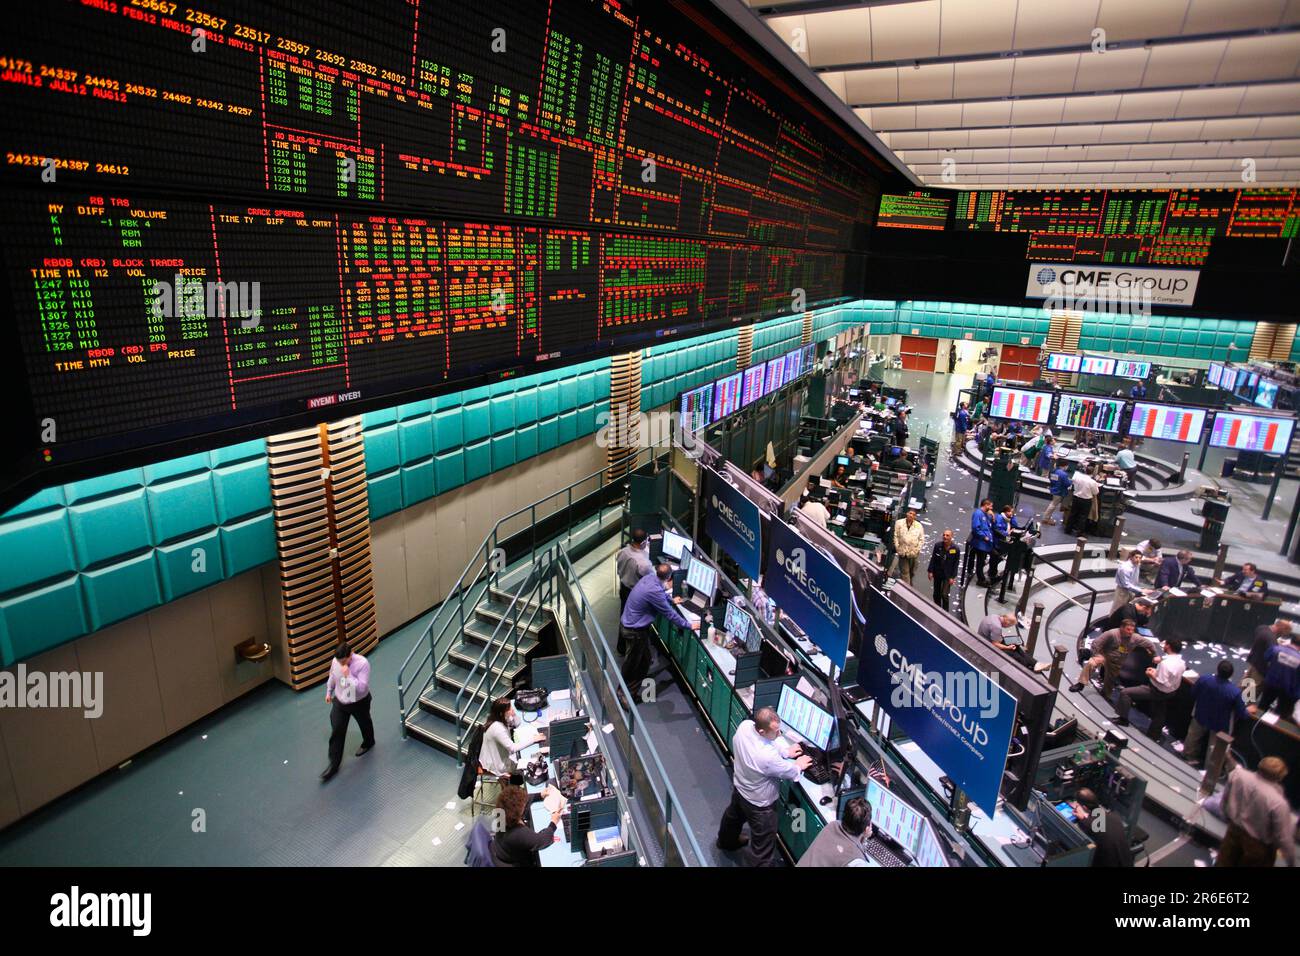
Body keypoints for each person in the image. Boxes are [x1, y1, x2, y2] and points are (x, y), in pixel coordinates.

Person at [717, 707, 812, 866]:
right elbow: (789, 771)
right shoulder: (766, 757)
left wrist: (785, 751)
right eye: (776, 731)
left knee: (733, 818)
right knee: (763, 846)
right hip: (760, 806)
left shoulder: (745, 726)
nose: (779, 734)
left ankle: (726, 842)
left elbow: (769, 742)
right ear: (761, 731)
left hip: (740, 788)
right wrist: (799, 765)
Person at [619, 564, 699, 704]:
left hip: (630, 625)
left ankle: (627, 691)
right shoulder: (654, 591)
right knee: (634, 664)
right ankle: (625, 695)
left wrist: (671, 600)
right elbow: (671, 615)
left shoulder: (650, 578)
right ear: (669, 577)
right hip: (635, 631)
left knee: (643, 660)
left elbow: (661, 593)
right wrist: (689, 625)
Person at [1215, 757, 1294, 867]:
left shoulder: (1237, 775)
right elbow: (1283, 838)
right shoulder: (1278, 803)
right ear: (1280, 776)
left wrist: (1226, 818)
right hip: (1257, 847)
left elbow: (1225, 800)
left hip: (1233, 832)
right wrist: (1292, 862)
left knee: (1223, 863)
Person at [321, 641, 375, 783]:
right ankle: (333, 765)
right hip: (341, 701)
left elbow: (362, 688)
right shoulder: (336, 661)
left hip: (359, 702)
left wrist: (349, 675)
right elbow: (332, 676)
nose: (341, 664)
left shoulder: (363, 664)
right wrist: (329, 691)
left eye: (344, 661)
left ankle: (369, 742)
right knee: (337, 729)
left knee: (365, 723)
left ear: (351, 654)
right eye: (339, 661)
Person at [1115, 638, 1185, 739]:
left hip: (1157, 691)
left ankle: (1123, 719)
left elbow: (1162, 681)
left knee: (1126, 693)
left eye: (1165, 644)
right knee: (1159, 713)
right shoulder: (1181, 663)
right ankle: (1154, 735)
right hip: (1170, 692)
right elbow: (1169, 678)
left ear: (1168, 646)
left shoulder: (1165, 664)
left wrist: (1150, 674)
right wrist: (1156, 672)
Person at [1183, 660, 1249, 767]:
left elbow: (1193, 693)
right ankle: (1210, 768)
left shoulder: (1204, 679)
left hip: (1200, 714)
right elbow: (1242, 714)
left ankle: (1187, 756)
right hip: (1220, 724)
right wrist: (1248, 711)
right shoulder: (1235, 692)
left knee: (1193, 737)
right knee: (1214, 747)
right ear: (1231, 674)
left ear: (1217, 669)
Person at [490, 784, 562, 867]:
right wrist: (554, 822)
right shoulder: (518, 833)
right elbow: (541, 840)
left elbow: (521, 801)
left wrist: (539, 795)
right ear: (518, 812)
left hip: (501, 852)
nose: (524, 803)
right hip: (517, 862)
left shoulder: (502, 814)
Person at [1071, 619, 1140, 700]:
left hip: (1115, 660)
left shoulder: (1134, 638)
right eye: (1128, 629)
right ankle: (1081, 684)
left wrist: (1153, 653)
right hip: (1103, 654)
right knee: (1092, 663)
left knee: (1112, 676)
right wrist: (1096, 655)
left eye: (1132, 630)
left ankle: (1105, 694)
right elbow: (1096, 644)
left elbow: (1146, 642)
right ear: (1122, 628)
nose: (1130, 632)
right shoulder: (1111, 633)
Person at [479, 698, 544, 781]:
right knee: (528, 770)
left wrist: (514, 715)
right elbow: (512, 748)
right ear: (501, 713)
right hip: (497, 763)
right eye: (509, 709)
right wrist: (534, 739)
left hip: (501, 755)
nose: (512, 709)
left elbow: (517, 724)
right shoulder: (497, 728)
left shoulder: (499, 718)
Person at [797, 796, 873, 867]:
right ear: (867, 828)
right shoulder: (856, 861)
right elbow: (852, 847)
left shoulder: (832, 825)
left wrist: (863, 838)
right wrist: (864, 837)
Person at [1070, 788, 1134, 868]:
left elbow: (1090, 825)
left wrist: (1082, 818)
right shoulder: (1114, 816)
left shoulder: (1087, 824)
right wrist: (1084, 817)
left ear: (1085, 808)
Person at [614, 529, 653, 652]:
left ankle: (621, 648)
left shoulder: (622, 552)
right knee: (638, 624)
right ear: (643, 543)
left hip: (624, 588)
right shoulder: (643, 563)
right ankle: (637, 652)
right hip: (635, 594)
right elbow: (651, 579)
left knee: (624, 618)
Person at [1253, 635, 1300, 720]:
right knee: (1281, 713)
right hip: (1288, 690)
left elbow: (1266, 658)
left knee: (1263, 705)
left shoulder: (1275, 649)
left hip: (1270, 683)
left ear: (1291, 641)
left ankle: (1254, 723)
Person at [1247, 620, 1291, 689]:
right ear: (1280, 629)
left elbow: (1264, 643)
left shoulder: (1262, 628)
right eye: (1282, 634)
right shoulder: (1271, 640)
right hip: (1260, 669)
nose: (1281, 636)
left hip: (1253, 660)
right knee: (1250, 693)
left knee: (1245, 683)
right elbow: (1274, 656)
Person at [928, 529, 961, 607]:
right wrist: (930, 571)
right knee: (936, 594)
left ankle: (945, 611)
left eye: (947, 535)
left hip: (948, 575)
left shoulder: (955, 549)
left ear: (951, 537)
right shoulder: (937, 546)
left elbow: (956, 564)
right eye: (944, 535)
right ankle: (937, 608)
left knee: (944, 594)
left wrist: (952, 577)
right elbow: (933, 559)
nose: (945, 537)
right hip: (937, 573)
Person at [987, 504, 1018, 584]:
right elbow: (997, 529)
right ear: (1005, 511)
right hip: (996, 542)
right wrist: (1007, 533)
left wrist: (1013, 516)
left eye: (1012, 512)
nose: (1011, 513)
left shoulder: (1008, 519)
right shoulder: (999, 518)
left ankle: (992, 572)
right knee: (996, 558)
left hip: (1002, 541)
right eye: (1010, 512)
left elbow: (1015, 525)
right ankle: (992, 574)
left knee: (1000, 557)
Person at [1065, 465, 1100, 536]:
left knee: (1073, 514)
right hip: (1086, 501)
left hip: (1076, 498)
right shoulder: (1092, 482)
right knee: (1083, 517)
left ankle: (1068, 529)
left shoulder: (1078, 478)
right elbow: (1095, 492)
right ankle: (1080, 532)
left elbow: (1073, 485)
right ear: (1093, 473)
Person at [892, 509, 925, 583]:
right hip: (902, 551)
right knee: (905, 572)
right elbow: (896, 536)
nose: (911, 515)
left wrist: (917, 550)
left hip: (913, 553)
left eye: (913, 514)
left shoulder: (919, 526)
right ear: (907, 513)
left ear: (915, 517)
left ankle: (908, 584)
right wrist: (898, 548)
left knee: (912, 572)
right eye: (910, 513)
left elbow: (921, 539)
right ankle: (906, 589)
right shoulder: (899, 523)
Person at [969, 499, 995, 586]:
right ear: (986, 505)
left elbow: (987, 524)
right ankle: (981, 580)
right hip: (980, 543)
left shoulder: (985, 514)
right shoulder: (978, 514)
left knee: (982, 561)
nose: (991, 508)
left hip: (985, 544)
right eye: (990, 506)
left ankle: (982, 577)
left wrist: (992, 516)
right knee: (980, 562)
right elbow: (976, 528)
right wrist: (984, 537)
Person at [1041, 460, 1071, 525]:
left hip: (1054, 489)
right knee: (1053, 505)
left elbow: (1051, 479)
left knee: (1052, 504)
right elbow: (1067, 483)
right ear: (1065, 466)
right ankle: (1045, 519)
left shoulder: (1054, 471)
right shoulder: (1063, 474)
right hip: (1059, 491)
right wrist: (1071, 481)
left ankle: (1047, 518)